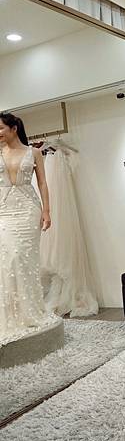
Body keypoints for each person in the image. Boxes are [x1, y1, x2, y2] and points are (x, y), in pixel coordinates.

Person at [0, 112, 58, 345]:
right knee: (8, 259)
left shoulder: (33, 152)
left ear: (14, 128)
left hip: (28, 209)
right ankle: (12, 313)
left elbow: (42, 182)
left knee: (25, 259)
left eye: (1, 128)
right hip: (4, 210)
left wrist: (47, 211)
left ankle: (31, 310)